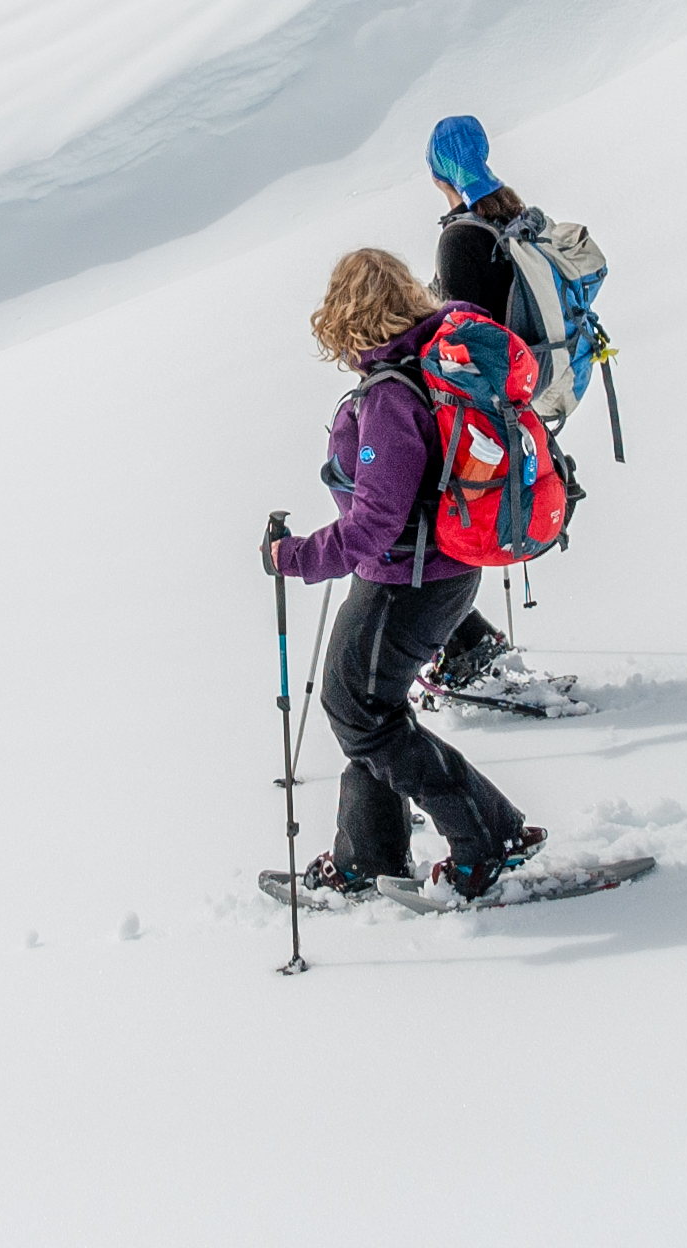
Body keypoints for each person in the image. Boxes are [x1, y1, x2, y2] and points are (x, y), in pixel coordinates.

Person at [264, 246, 546, 902]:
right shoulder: (432, 357)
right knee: (368, 709)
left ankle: (489, 835)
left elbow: (374, 524)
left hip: (406, 583)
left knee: (359, 712)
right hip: (438, 571)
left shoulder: (392, 397)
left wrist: (295, 556)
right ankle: (368, 856)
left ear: (349, 318)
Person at [421, 114, 570, 691]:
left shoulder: (461, 238)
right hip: (524, 399)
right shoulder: (515, 217)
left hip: (485, 412)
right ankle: (467, 639)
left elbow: (465, 338)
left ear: (440, 174)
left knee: (440, 515)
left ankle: (468, 643)